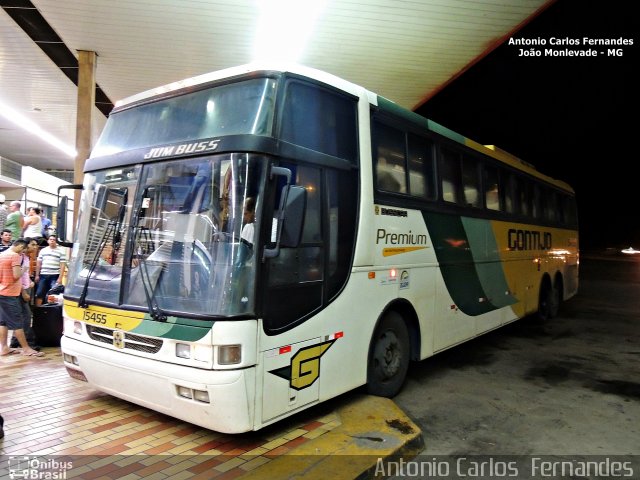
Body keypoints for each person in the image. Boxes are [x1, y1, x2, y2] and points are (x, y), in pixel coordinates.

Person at [0, 238, 43, 357]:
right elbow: (16, 275)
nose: (22, 252)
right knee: (17, 322)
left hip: (2, 292)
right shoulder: (15, 256)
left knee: (3, 322)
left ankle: (4, 347)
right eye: (23, 249)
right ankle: (26, 348)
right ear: (20, 247)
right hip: (10, 293)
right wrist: (23, 269)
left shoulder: (2, 255)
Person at [9, 238, 38, 350]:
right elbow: (16, 277)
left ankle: (15, 341)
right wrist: (23, 292)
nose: (35, 247)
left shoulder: (25, 257)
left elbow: (24, 274)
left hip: (25, 288)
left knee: (22, 316)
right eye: (33, 244)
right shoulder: (19, 257)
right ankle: (27, 343)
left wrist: (29, 282)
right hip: (20, 291)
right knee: (25, 316)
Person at [35, 235, 66, 307]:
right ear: (48, 241)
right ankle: (38, 310)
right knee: (39, 293)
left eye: (54, 239)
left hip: (55, 275)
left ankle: (51, 311)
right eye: (50, 239)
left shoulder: (61, 251)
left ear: (56, 241)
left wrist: (60, 278)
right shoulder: (43, 251)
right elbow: (39, 263)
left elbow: (62, 265)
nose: (52, 241)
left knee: (54, 294)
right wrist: (37, 275)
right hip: (43, 275)